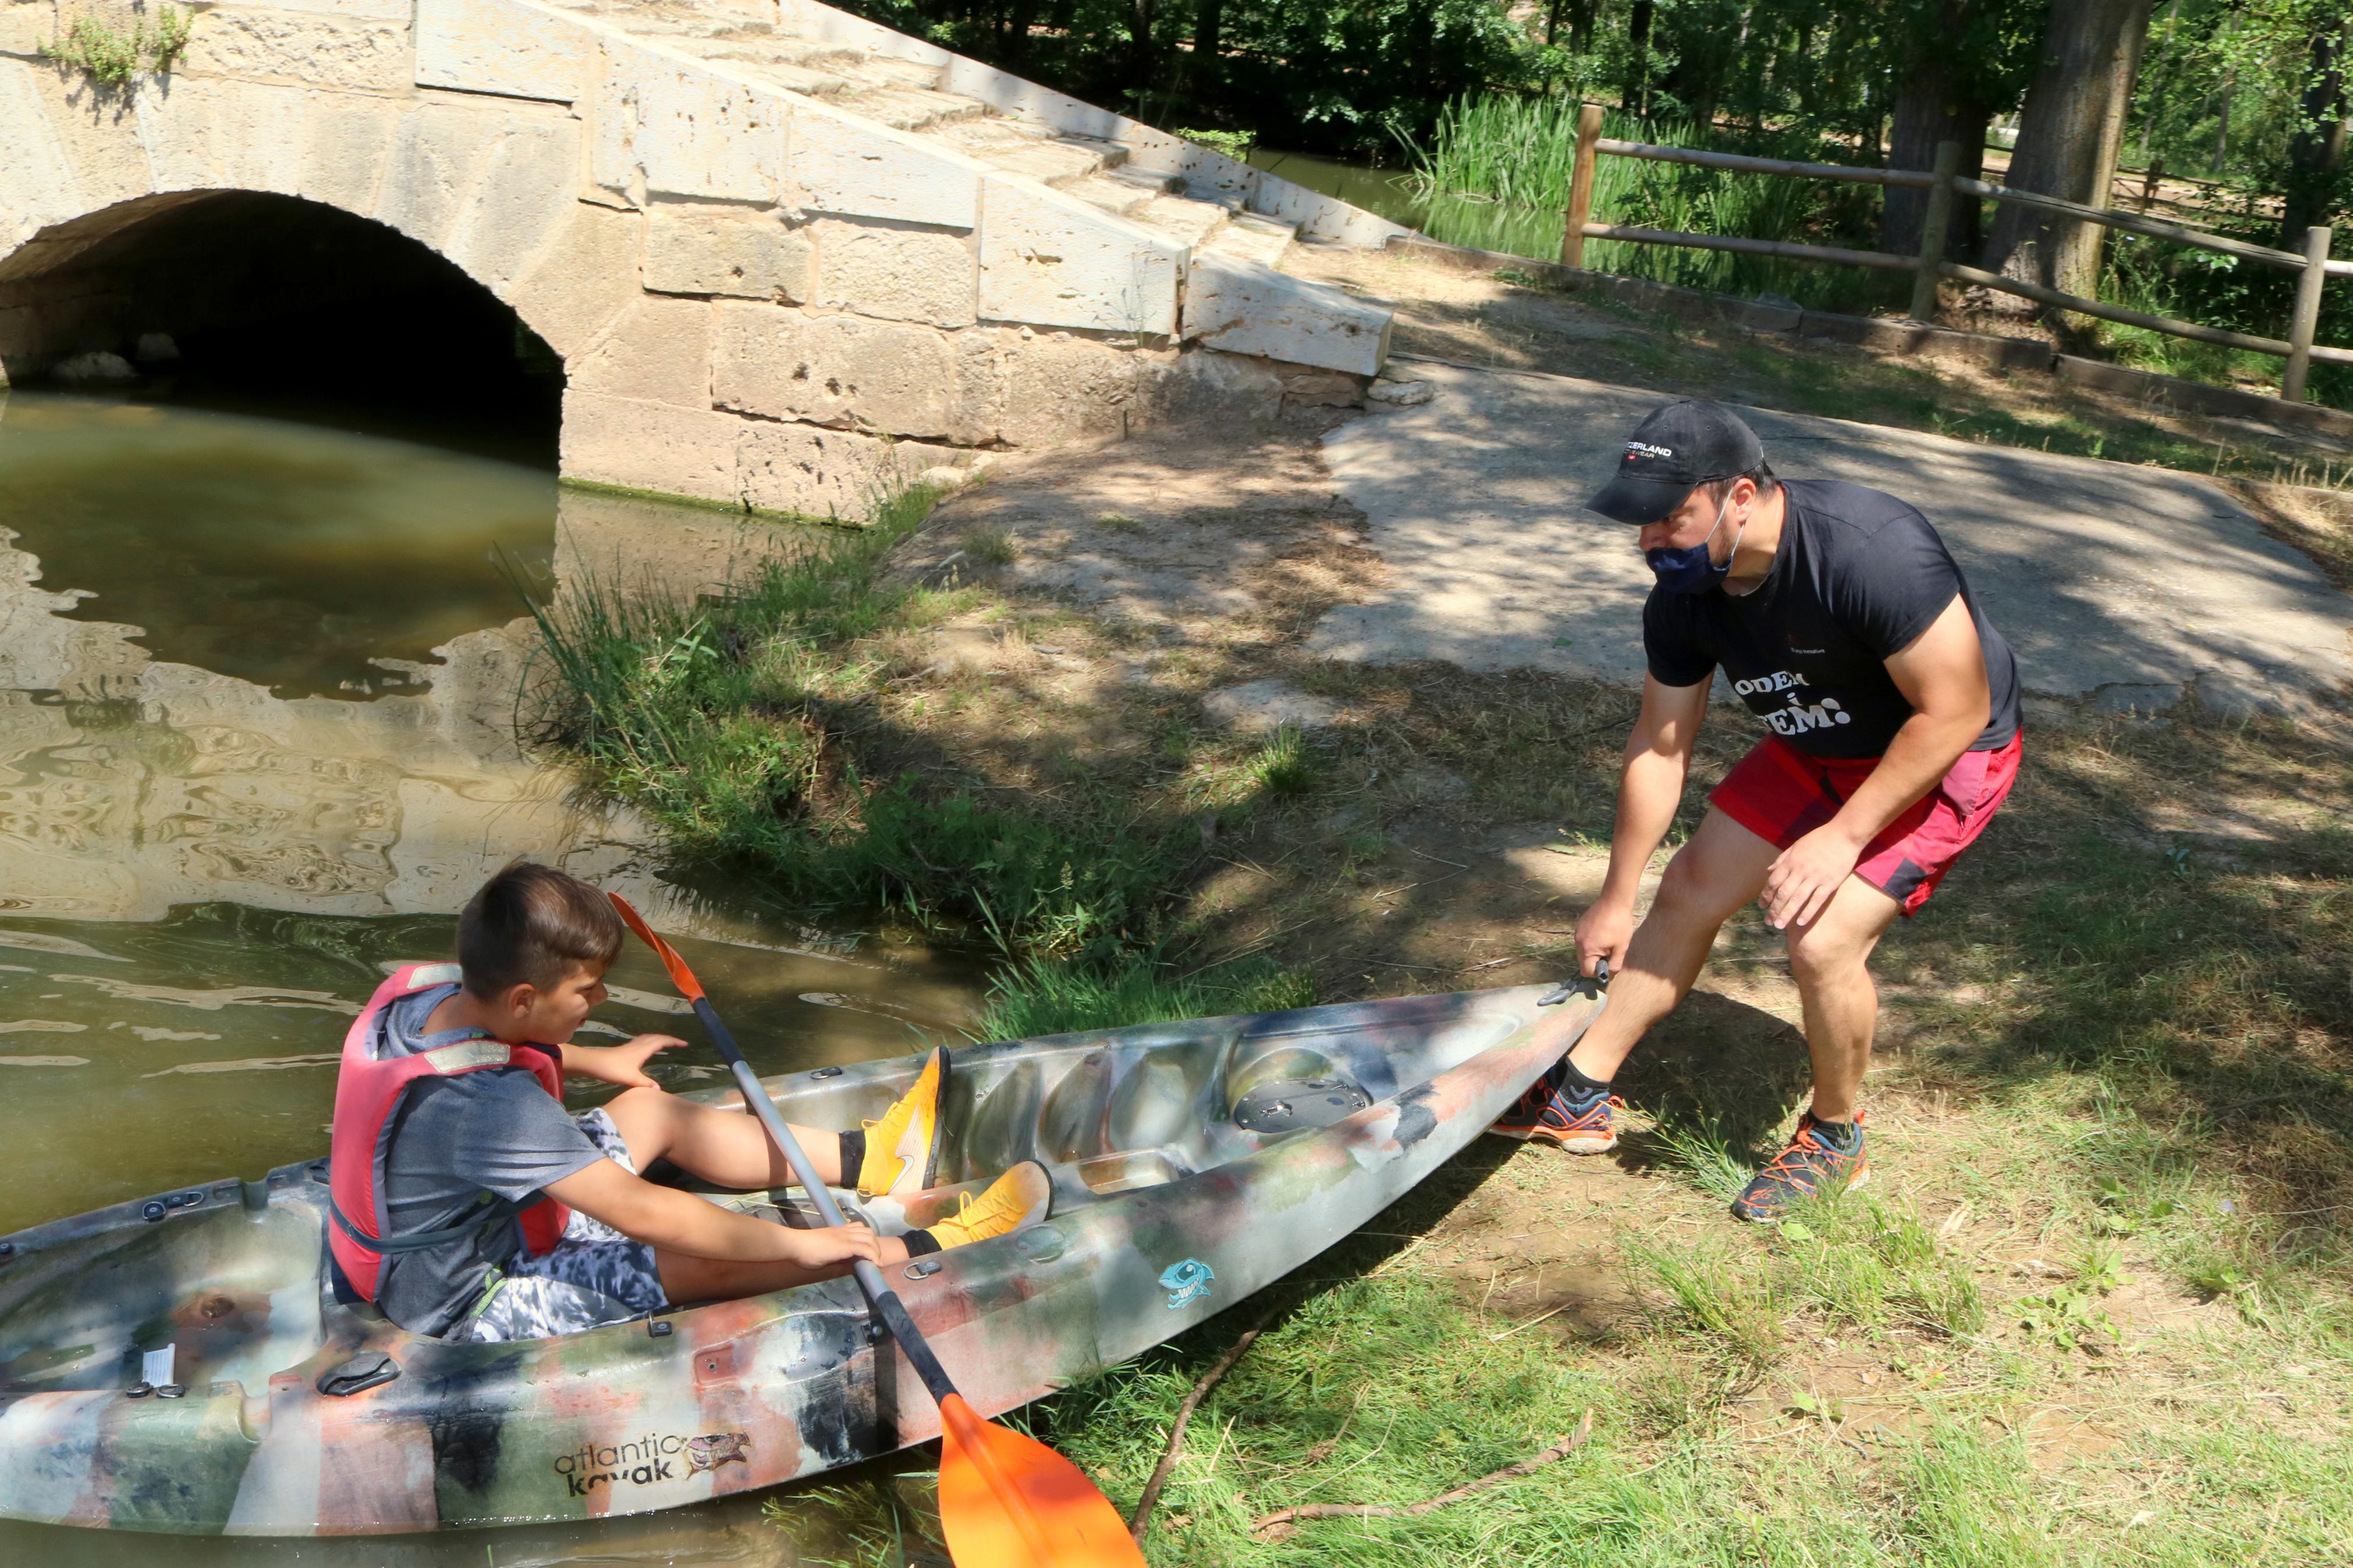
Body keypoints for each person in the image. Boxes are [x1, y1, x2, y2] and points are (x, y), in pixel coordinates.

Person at [1492, 400, 2022, 1221]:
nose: (1648, 542)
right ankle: (1577, 1092)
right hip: (1818, 740)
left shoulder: (1868, 550)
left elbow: (1952, 709)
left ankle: (1834, 1136)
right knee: (1691, 883)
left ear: (1739, 496)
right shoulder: (1684, 595)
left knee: (1823, 936)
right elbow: (1659, 744)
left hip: (1942, 746)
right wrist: (1613, 893)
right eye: (1639, 522)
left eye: (1671, 517)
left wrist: (1841, 838)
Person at [327, 861, 1047, 1341]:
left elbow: (497, 1038)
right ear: (525, 996)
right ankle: (922, 1249)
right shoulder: (488, 1110)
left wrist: (593, 1058)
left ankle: (876, 1160)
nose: (600, 999)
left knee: (655, 1110)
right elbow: (643, 1212)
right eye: (586, 991)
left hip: (490, 1217)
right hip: (474, 1295)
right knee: (682, 1258)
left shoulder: (423, 989)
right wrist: (800, 1244)